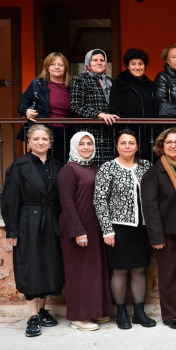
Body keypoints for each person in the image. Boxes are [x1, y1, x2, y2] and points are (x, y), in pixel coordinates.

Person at [1, 124, 64, 337]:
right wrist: (12, 230)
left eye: (44, 138)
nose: (40, 142)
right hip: (28, 222)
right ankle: (33, 316)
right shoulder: (19, 166)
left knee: (49, 265)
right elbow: (10, 200)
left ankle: (43, 310)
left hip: (51, 221)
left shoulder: (57, 165)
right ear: (28, 142)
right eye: (36, 139)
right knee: (30, 267)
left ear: (50, 142)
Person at [94, 129, 155, 329]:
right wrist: (107, 230)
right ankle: (121, 313)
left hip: (142, 228)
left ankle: (139, 313)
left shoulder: (146, 166)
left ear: (137, 146)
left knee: (139, 269)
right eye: (123, 143)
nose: (127, 146)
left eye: (131, 143)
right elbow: (100, 201)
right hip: (118, 228)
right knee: (120, 270)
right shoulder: (108, 168)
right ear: (117, 146)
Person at [142, 127, 176, 329]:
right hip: (166, 233)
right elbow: (150, 208)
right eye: (169, 142)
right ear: (161, 146)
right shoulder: (154, 173)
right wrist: (156, 237)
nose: (173, 145)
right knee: (168, 274)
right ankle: (171, 315)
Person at [58, 132, 111, 331]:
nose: (86, 147)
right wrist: (77, 230)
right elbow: (67, 203)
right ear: (74, 146)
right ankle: (79, 318)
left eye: (90, 143)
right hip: (78, 228)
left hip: (94, 227)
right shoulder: (69, 170)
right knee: (79, 272)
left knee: (94, 271)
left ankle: (94, 311)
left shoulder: (93, 167)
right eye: (82, 144)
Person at [17, 52, 72, 162]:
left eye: (60, 65)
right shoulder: (37, 84)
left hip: (67, 132)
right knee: (43, 163)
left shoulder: (72, 86)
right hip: (44, 131)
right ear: (47, 68)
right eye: (52, 64)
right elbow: (22, 103)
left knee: (63, 164)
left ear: (65, 68)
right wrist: (26, 111)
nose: (56, 67)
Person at [70, 49, 119, 164]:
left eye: (102, 60)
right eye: (95, 60)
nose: (99, 63)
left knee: (107, 165)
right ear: (88, 62)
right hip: (89, 131)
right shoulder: (80, 79)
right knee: (92, 166)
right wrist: (99, 114)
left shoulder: (109, 81)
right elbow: (75, 106)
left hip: (108, 132)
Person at [109, 48, 155, 118]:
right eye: (133, 64)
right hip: (128, 125)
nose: (137, 67)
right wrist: (127, 124)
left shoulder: (150, 85)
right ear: (128, 66)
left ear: (145, 66)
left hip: (151, 125)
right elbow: (115, 111)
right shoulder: (120, 83)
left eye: (140, 64)